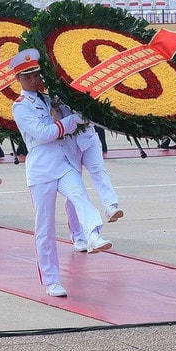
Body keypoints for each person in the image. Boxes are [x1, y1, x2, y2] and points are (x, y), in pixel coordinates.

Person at [11, 48, 112, 298]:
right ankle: (51, 279)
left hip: (63, 161)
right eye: (28, 76)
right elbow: (43, 134)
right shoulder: (20, 106)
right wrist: (70, 122)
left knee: (80, 196)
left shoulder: (50, 99)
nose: (35, 79)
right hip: (41, 168)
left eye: (36, 74)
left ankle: (92, 234)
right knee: (44, 227)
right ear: (19, 79)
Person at [59, 99, 123, 250]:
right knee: (75, 191)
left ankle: (110, 206)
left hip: (89, 136)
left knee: (99, 171)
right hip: (68, 143)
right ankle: (78, 236)